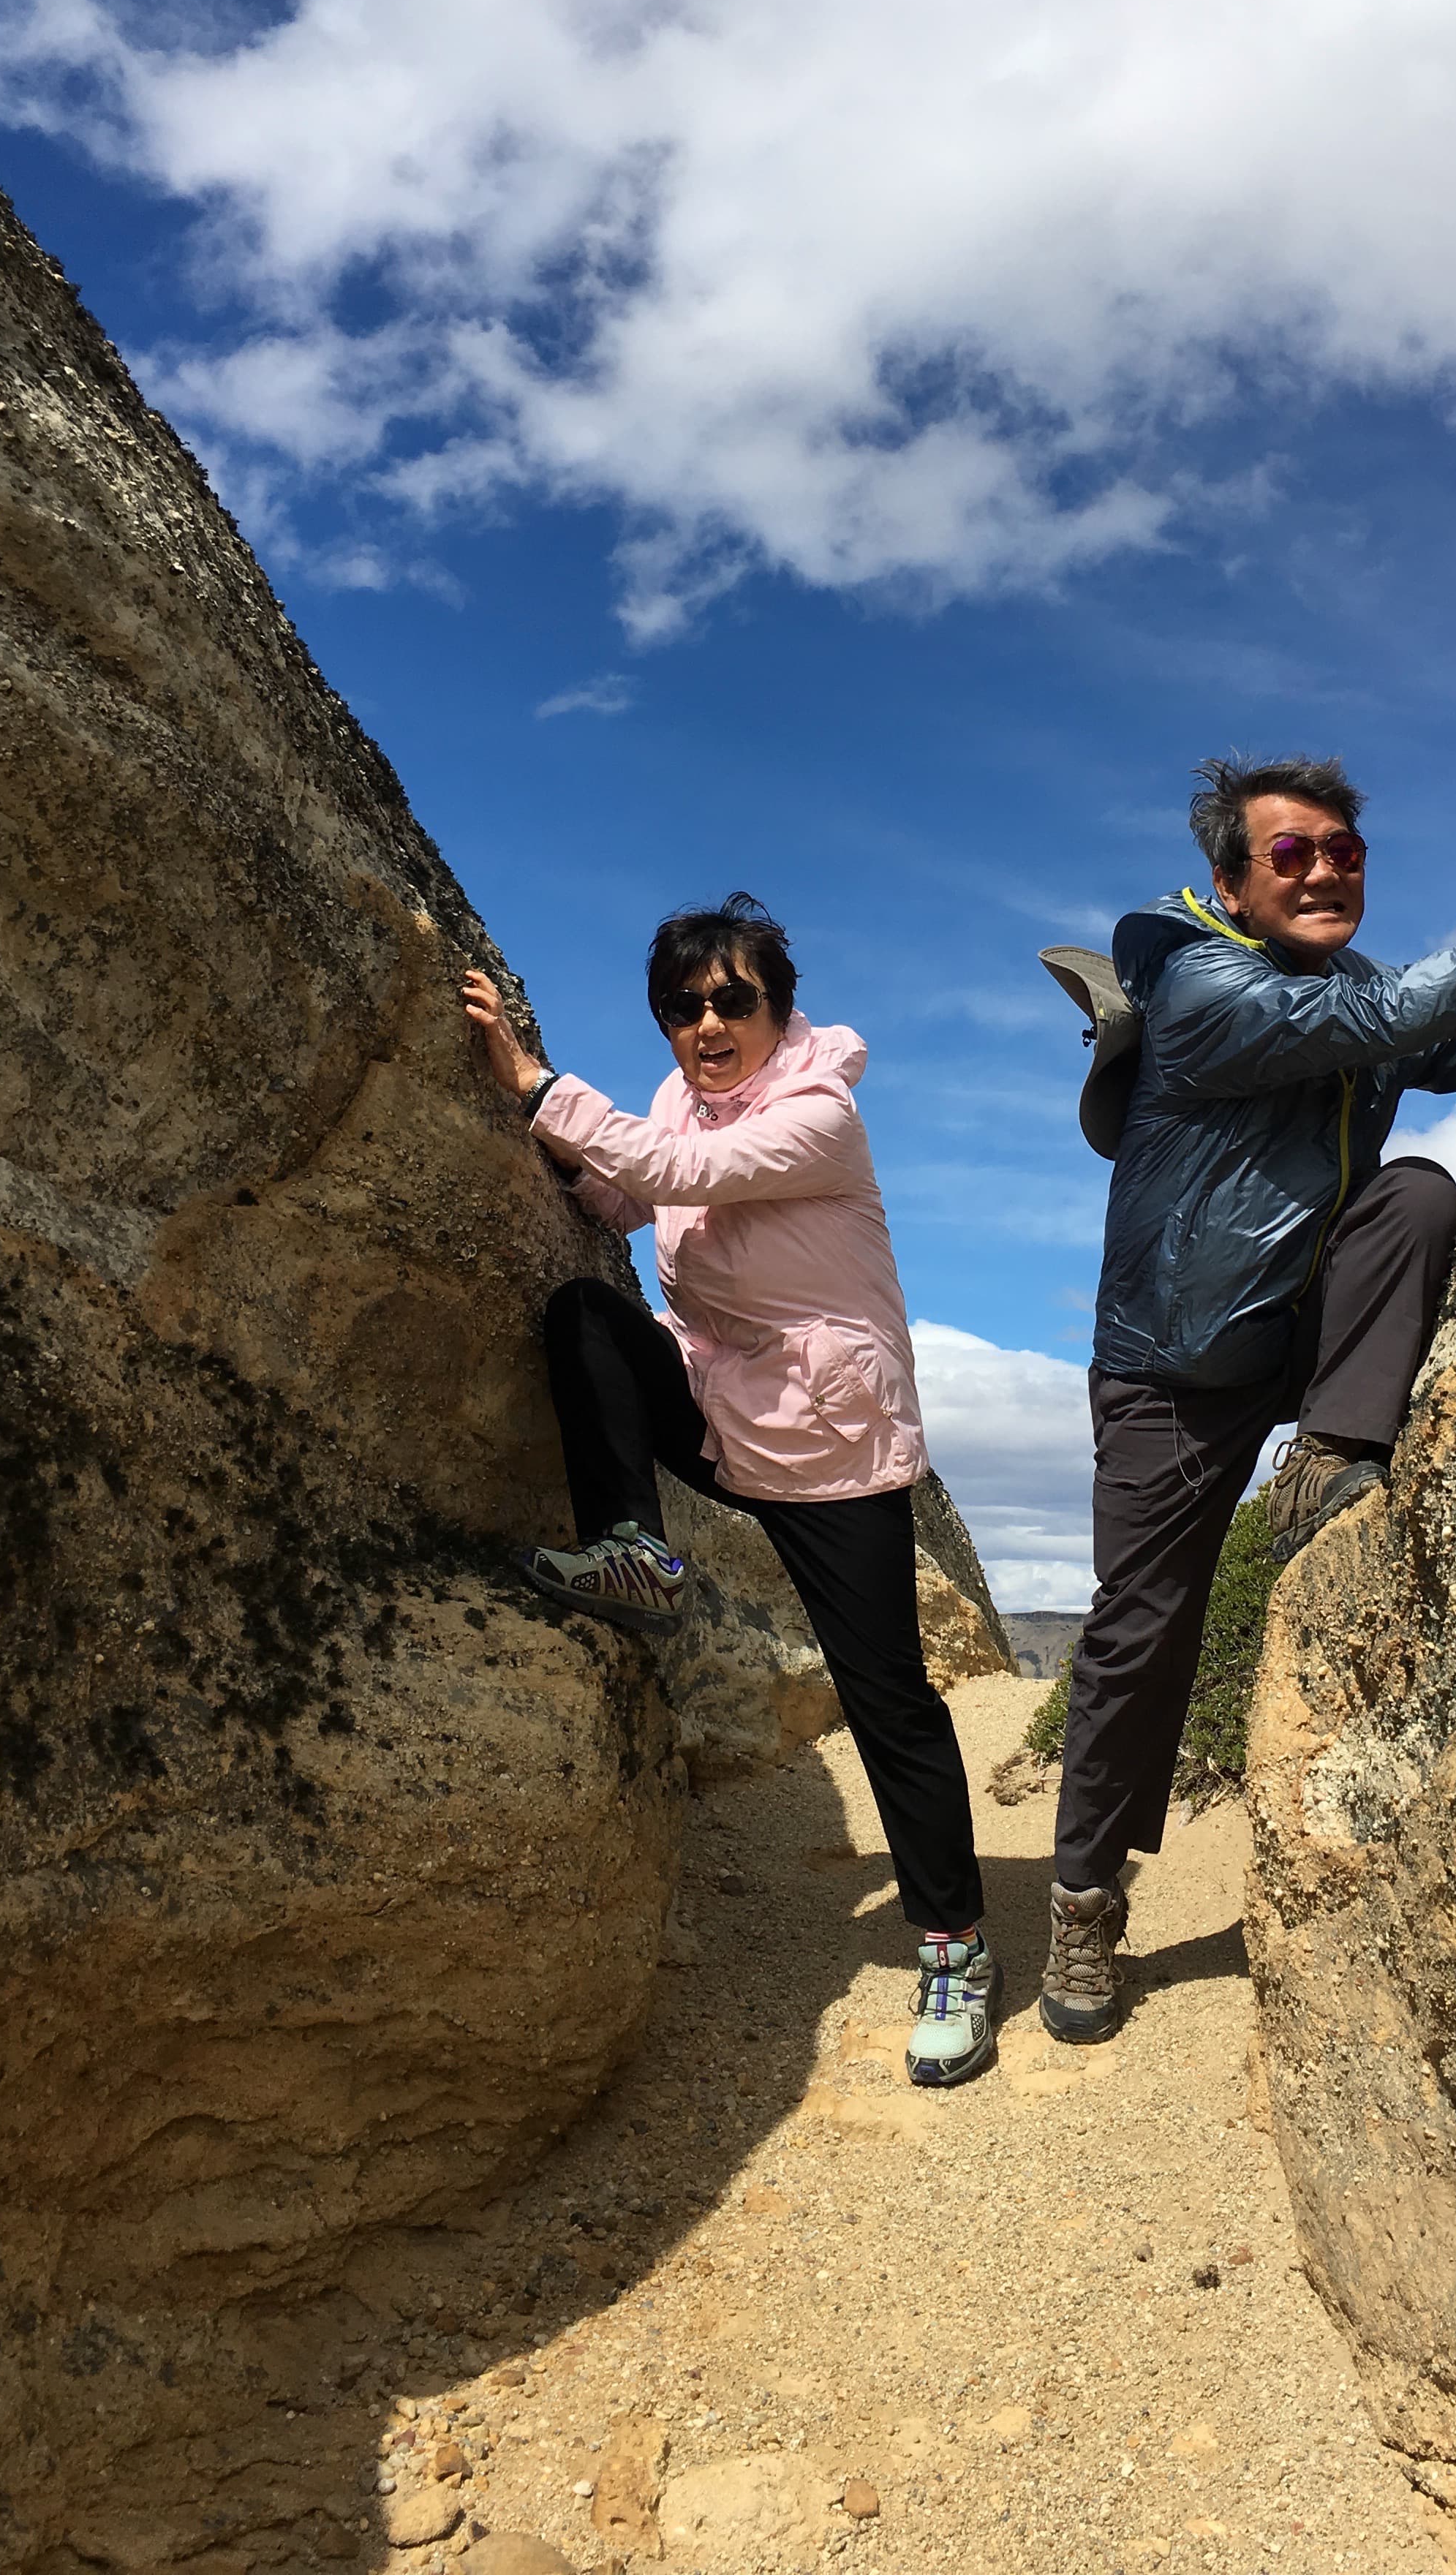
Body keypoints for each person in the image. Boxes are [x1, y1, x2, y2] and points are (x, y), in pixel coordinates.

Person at [1039, 755, 1456, 2044]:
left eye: (1345, 852)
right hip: (1174, 1372)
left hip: (1300, 1331)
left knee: (1416, 1196)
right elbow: (1387, 1018)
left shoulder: (1345, 994)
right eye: (1292, 854)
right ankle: (1084, 1900)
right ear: (1231, 881)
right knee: (1139, 1634)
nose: (1327, 871)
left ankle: (1333, 1447)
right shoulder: (1203, 986)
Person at [461, 894, 999, 2089]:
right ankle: (634, 1555)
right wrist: (529, 1143)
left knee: (889, 1702)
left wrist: (537, 1084)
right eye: (681, 1006)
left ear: (778, 1008)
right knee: (589, 1316)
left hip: (827, 1447)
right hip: (718, 1406)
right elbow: (631, 1195)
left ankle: (956, 1948)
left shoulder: (819, 1115)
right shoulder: (677, 1104)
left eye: (730, 1000)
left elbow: (684, 1171)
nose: (706, 1025)